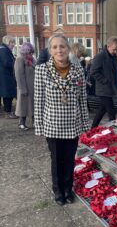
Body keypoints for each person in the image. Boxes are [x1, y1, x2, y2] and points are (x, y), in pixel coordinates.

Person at [34, 34, 89, 206]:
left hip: (72, 123)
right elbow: (39, 100)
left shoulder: (78, 69)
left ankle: (68, 188)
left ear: (68, 48)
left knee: (70, 158)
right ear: (50, 50)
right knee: (57, 159)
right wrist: (39, 126)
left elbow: (82, 98)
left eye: (62, 46)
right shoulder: (42, 70)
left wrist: (85, 123)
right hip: (53, 125)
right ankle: (58, 190)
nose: (59, 50)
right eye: (55, 47)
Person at [90, 36, 117, 127]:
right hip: (103, 89)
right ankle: (113, 130)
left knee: (102, 110)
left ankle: (92, 128)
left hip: (110, 88)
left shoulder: (113, 56)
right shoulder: (100, 56)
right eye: (114, 49)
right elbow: (93, 71)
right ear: (108, 46)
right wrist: (105, 80)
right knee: (111, 111)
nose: (115, 52)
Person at [14, 42, 35, 130]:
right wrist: (22, 88)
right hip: (24, 87)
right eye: (29, 52)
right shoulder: (20, 59)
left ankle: (35, 123)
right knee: (23, 106)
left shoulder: (32, 59)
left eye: (31, 52)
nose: (30, 54)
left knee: (33, 105)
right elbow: (19, 74)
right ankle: (21, 123)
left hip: (33, 87)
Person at [0, 35, 17, 118]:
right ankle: (8, 113)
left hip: (4, 76)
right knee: (7, 95)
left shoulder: (3, 49)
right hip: (5, 77)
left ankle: (7, 112)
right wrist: (15, 64)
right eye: (12, 42)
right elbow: (7, 63)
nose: (14, 44)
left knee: (6, 94)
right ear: (8, 42)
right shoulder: (4, 51)